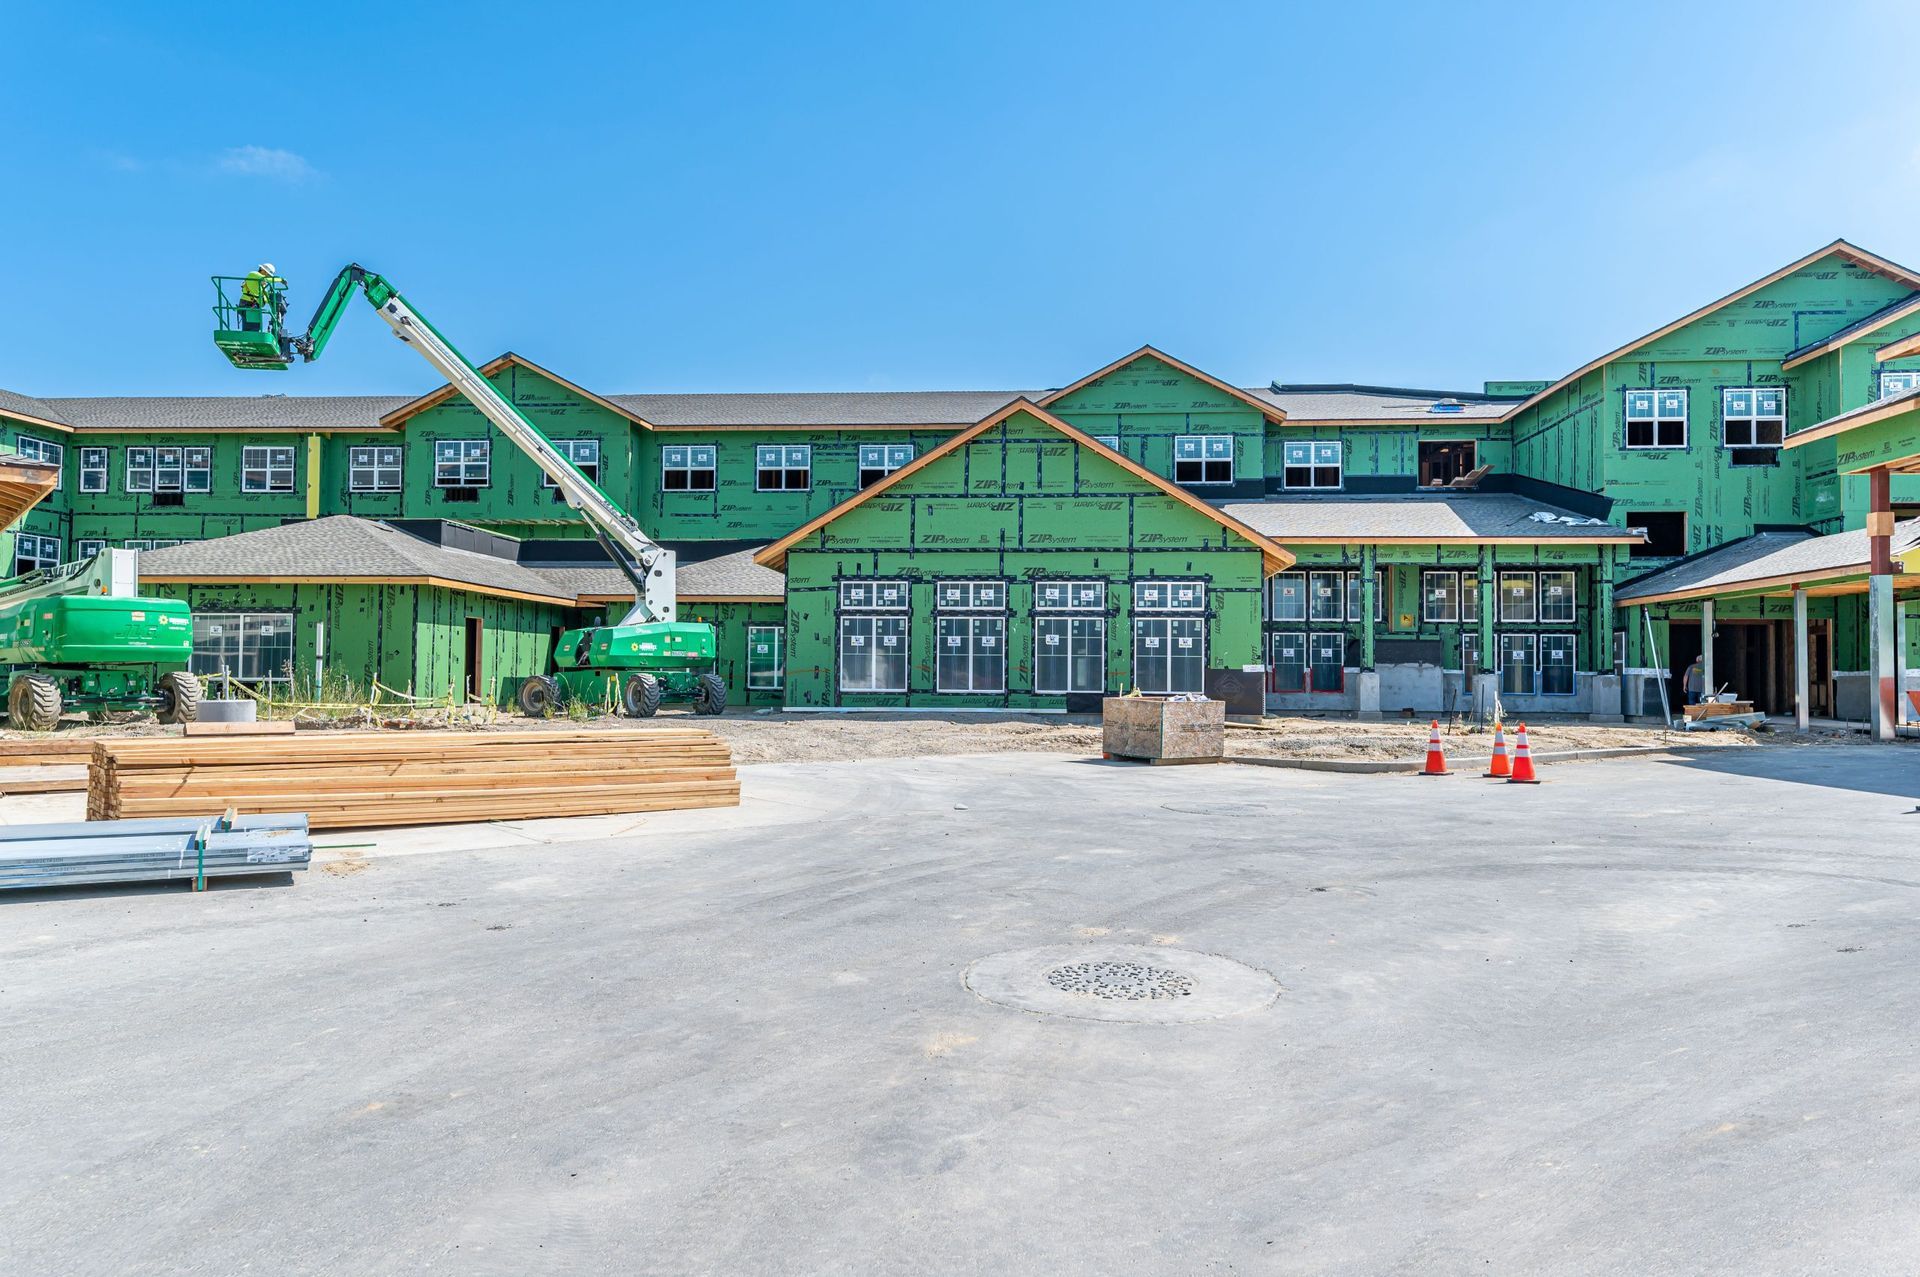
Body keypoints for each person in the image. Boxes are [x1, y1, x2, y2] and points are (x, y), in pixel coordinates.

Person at [237, 262, 278, 331]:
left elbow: (265, 298)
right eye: (267, 274)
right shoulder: (253, 274)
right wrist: (280, 280)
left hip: (254, 306)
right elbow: (266, 280)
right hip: (247, 303)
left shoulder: (262, 285)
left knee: (255, 328)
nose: (267, 276)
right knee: (251, 329)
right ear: (262, 270)